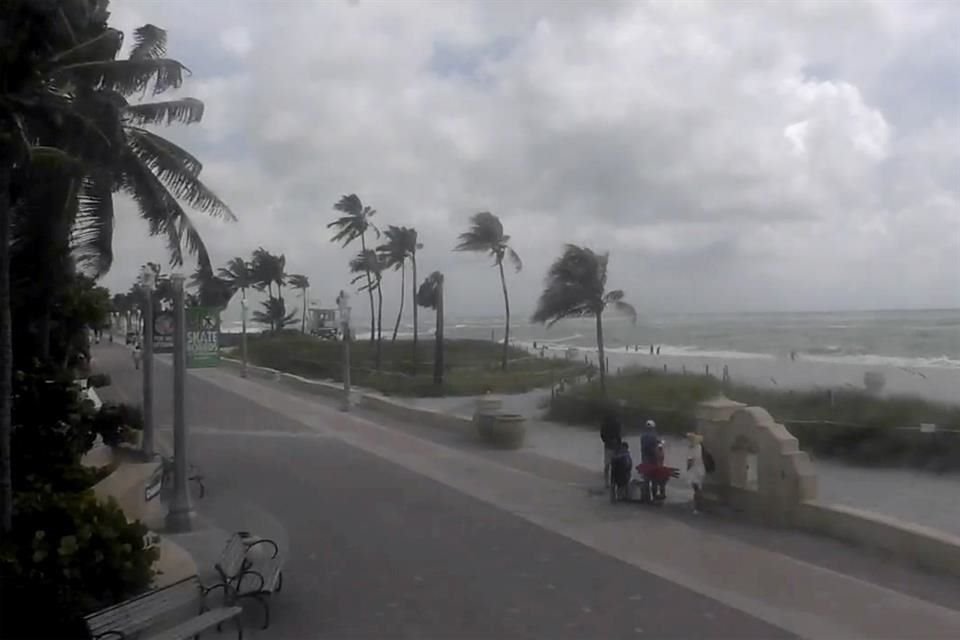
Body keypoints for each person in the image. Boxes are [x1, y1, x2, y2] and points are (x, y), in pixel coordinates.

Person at [600, 410, 623, 487]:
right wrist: (619, 445)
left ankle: (606, 482)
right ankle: (613, 482)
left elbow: (602, 434)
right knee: (615, 465)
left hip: (607, 446)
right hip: (615, 446)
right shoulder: (617, 423)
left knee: (607, 464)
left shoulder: (604, 423)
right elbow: (619, 435)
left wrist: (605, 441)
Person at [686, 432, 706, 514]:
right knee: (699, 488)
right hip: (701, 469)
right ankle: (699, 506)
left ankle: (697, 507)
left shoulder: (692, 448)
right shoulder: (699, 447)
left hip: (695, 471)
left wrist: (687, 468)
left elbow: (690, 461)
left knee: (696, 489)